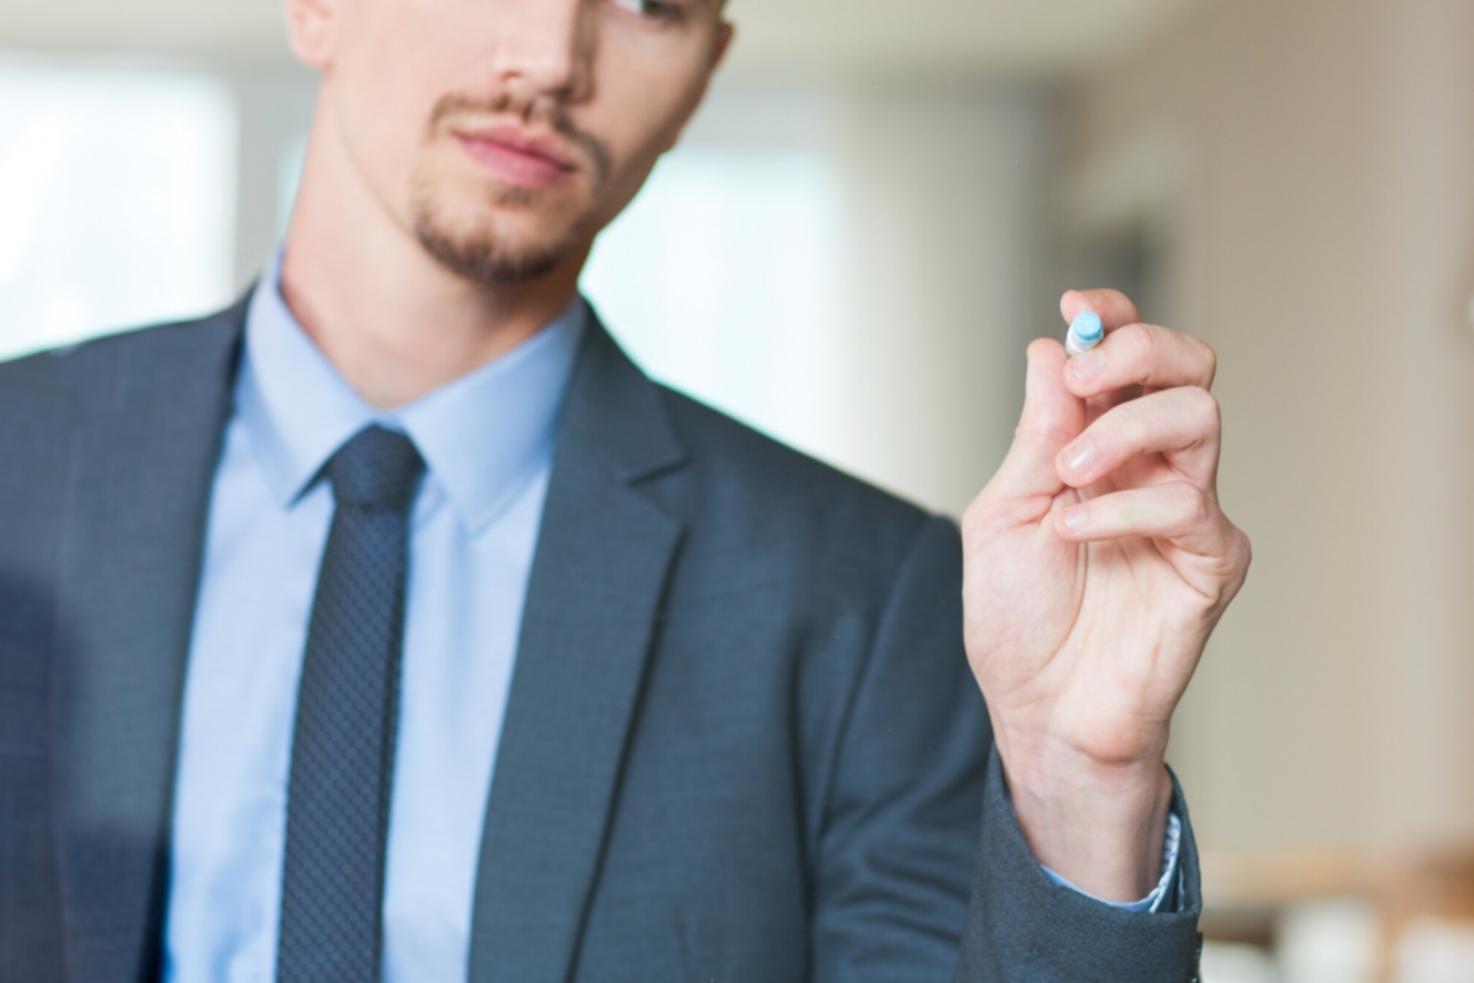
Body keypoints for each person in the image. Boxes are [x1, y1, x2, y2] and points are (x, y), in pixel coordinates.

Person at [0, 0, 1250, 979]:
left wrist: (1081, 781)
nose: (551, 58)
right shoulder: (19, 462)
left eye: (650, 1)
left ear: (705, 70)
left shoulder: (860, 597)